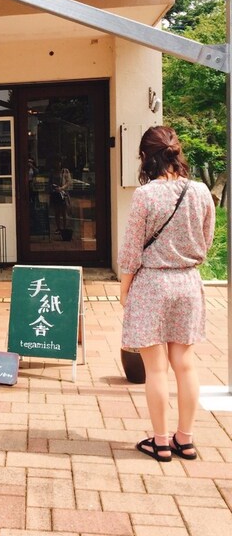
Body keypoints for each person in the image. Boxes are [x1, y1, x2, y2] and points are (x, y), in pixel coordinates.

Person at [119, 126, 215, 462]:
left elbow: (132, 249)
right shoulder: (201, 191)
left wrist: (124, 289)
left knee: (156, 369)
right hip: (188, 282)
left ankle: (160, 442)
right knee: (185, 365)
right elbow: (206, 239)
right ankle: (185, 440)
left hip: (153, 284)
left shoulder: (145, 195)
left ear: (146, 156)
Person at [49, 158, 72, 233]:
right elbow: (50, 182)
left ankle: (65, 228)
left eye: (58, 162)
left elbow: (68, 182)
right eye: (55, 162)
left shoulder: (65, 171)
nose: (57, 164)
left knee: (64, 212)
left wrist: (61, 188)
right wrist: (53, 188)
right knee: (57, 212)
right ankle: (58, 228)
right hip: (55, 193)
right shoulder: (52, 172)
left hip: (63, 193)